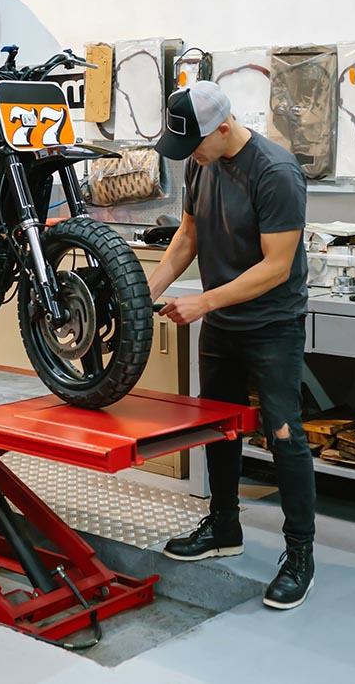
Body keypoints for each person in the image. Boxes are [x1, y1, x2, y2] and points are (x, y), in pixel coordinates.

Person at [148, 81, 315, 610]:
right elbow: (187, 237)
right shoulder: (201, 163)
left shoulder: (276, 172)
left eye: (194, 144)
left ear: (223, 128)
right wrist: (141, 293)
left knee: (284, 434)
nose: (188, 155)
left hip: (272, 324)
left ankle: (300, 555)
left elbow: (277, 266)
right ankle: (224, 527)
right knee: (218, 424)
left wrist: (203, 302)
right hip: (222, 321)